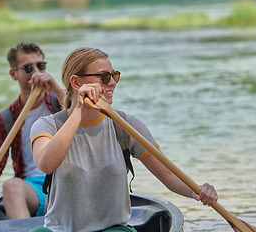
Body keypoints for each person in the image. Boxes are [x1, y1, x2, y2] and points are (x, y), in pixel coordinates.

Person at [29, 47, 218, 232]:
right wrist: (78, 111)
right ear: (76, 83)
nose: (112, 82)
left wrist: (197, 191)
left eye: (114, 75)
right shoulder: (47, 126)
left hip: (113, 229)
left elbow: (168, 175)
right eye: (104, 76)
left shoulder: (126, 125)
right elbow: (47, 164)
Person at [0, 42, 65, 219]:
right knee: (10, 186)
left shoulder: (61, 102)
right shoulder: (4, 120)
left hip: (69, 182)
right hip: (34, 189)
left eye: (40, 66)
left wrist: (56, 88)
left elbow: (82, 111)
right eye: (28, 68)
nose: (36, 72)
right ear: (14, 74)